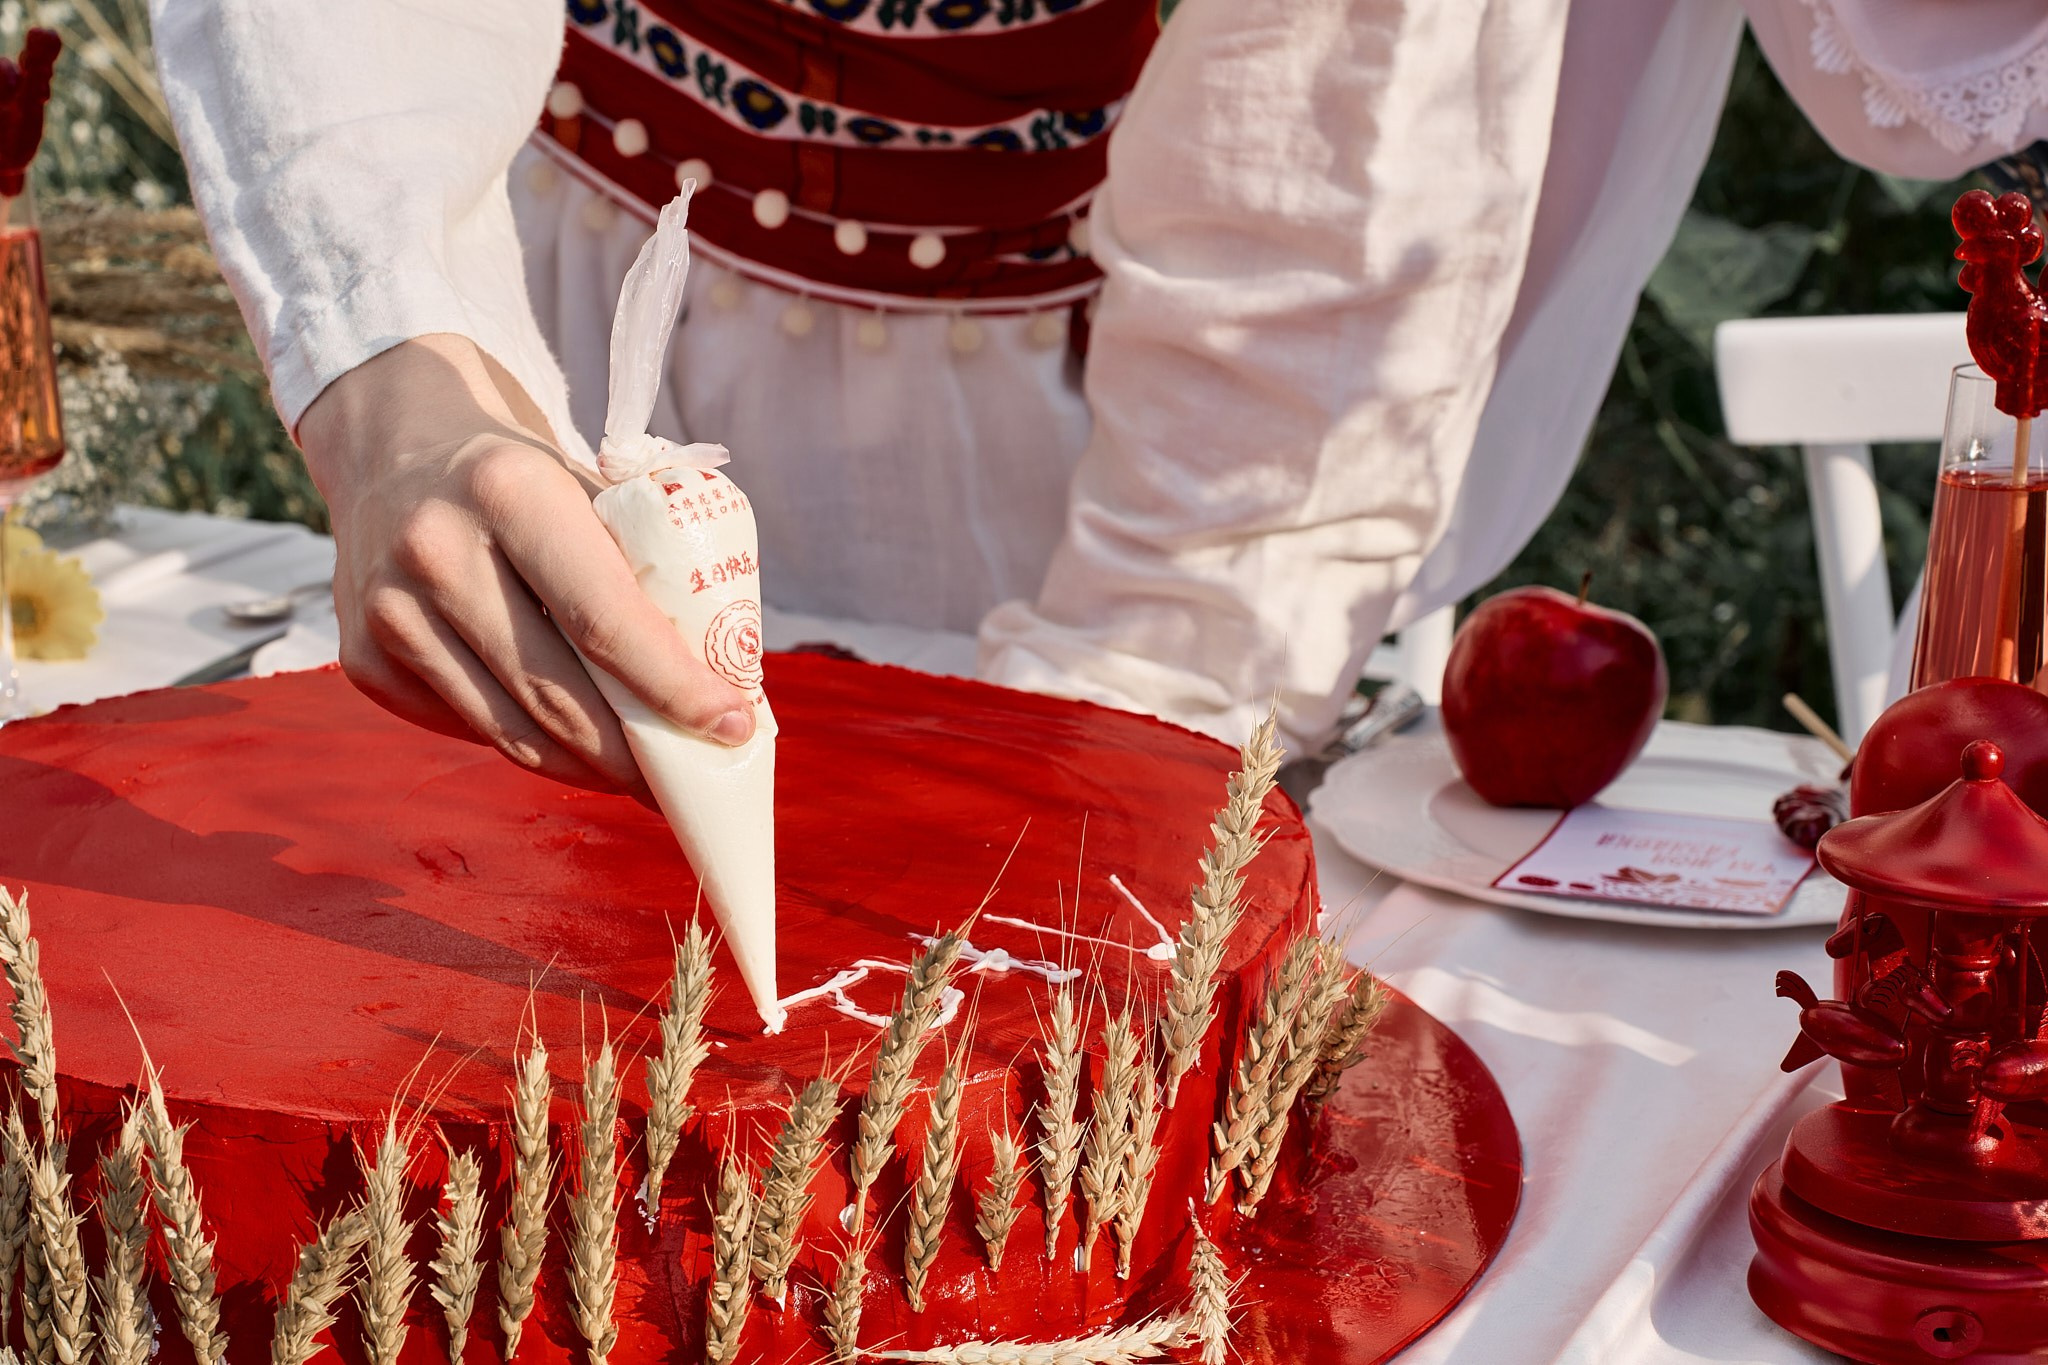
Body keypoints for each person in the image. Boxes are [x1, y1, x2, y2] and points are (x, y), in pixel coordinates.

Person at [150, 0, 2048, 794]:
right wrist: (397, 325)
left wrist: (1145, 720)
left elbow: (1319, 239)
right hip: (584, 305)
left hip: (1128, 432)